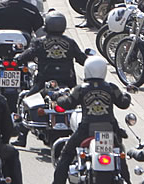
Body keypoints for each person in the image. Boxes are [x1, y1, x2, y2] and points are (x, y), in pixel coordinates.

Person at [51, 56, 132, 184]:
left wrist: (58, 97)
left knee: (66, 154)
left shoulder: (81, 89)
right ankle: (127, 180)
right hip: (110, 128)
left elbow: (68, 103)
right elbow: (123, 103)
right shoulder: (111, 87)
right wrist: (127, 94)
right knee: (119, 155)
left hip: (86, 129)